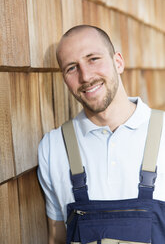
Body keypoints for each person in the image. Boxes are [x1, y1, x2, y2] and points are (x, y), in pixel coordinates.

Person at [38, 25, 165, 244]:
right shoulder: (53, 147)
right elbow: (56, 237)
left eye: (93, 58)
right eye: (71, 68)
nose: (85, 76)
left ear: (118, 62)